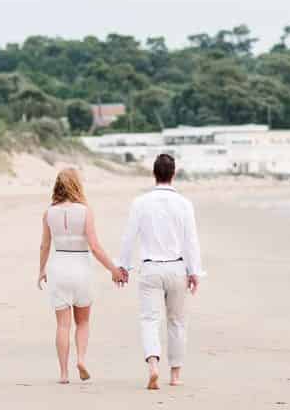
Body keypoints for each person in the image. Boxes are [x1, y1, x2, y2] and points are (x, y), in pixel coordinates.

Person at [118, 153, 202, 390]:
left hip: (150, 268)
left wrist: (123, 266)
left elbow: (129, 237)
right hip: (177, 267)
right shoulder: (184, 204)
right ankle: (175, 375)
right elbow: (191, 241)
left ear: (154, 174)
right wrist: (195, 271)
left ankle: (153, 364)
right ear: (173, 174)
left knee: (149, 320)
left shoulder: (140, 203)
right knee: (177, 322)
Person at [38, 167, 126, 384]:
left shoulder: (49, 213)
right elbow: (95, 247)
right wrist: (114, 269)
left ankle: (63, 374)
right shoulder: (85, 211)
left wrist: (41, 270)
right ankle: (82, 360)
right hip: (81, 267)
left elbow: (45, 245)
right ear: (77, 185)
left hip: (58, 267)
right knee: (83, 322)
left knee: (62, 325)